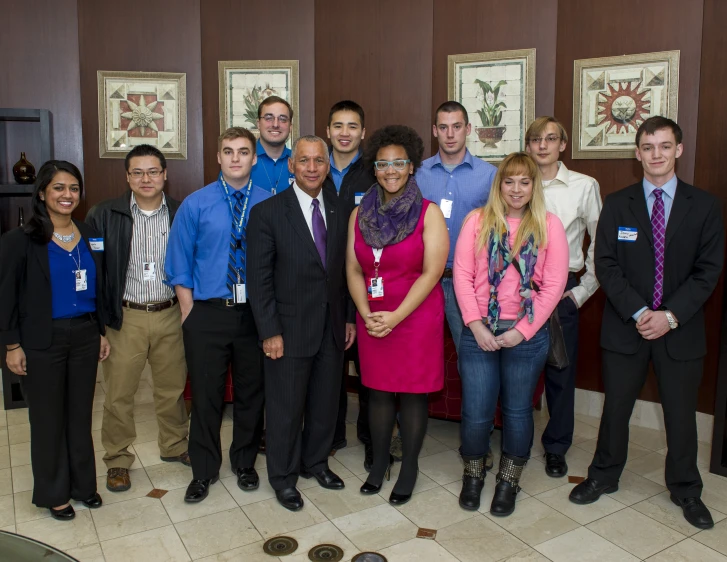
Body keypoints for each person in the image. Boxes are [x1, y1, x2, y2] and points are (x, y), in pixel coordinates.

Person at [569, 117, 724, 531]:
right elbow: (605, 263)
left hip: (681, 329)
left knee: (680, 415)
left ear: (679, 149)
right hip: (626, 327)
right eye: (648, 146)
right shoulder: (619, 203)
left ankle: (687, 489)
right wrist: (640, 313)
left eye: (664, 145)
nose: (656, 154)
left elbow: (708, 271)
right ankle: (603, 474)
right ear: (637, 153)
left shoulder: (705, 205)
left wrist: (668, 316)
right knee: (615, 409)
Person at [453, 152, 568, 515]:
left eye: (524, 181)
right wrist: (475, 324)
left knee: (518, 412)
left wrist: (522, 331)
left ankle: (509, 481)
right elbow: (462, 275)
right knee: (476, 412)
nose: (516, 189)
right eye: (509, 181)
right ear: (498, 185)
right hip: (479, 332)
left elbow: (552, 287)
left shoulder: (549, 226)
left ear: (534, 186)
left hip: (527, 336)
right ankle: (473, 475)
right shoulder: (477, 221)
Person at [247, 135, 356, 512]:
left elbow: (346, 271)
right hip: (287, 330)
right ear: (292, 165)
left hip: (331, 327)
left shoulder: (341, 209)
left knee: (326, 403)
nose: (312, 168)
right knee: (285, 408)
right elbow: (258, 280)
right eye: (304, 161)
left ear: (328, 165)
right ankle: (283, 477)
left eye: (319, 161)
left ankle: (316, 463)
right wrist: (269, 331)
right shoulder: (268, 212)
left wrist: (348, 319)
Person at [0, 161, 111, 520]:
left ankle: (83, 486)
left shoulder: (90, 231)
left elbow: (99, 284)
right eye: (59, 188)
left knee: (80, 416)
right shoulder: (20, 240)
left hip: (84, 334)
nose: (67, 195)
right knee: (48, 420)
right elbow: (6, 297)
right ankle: (54, 493)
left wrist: (101, 331)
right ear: (43, 193)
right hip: (40, 340)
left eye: (73, 188)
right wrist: (12, 345)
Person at [165, 127, 271, 503]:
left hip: (253, 316)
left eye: (244, 151)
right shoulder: (196, 203)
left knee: (250, 394)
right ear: (218, 157)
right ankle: (203, 470)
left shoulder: (269, 202)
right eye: (228, 151)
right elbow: (177, 261)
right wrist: (189, 311)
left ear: (254, 158)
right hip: (207, 313)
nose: (236, 158)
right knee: (206, 396)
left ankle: (244, 462)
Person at [347, 125, 449, 505]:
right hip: (372, 315)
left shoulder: (429, 213)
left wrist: (395, 316)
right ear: (374, 169)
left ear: (412, 167)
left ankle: (409, 468)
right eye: (383, 164)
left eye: (399, 163)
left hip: (415, 317)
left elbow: (432, 272)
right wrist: (365, 311)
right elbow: (354, 269)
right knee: (376, 392)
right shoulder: (359, 213)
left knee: (412, 395)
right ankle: (378, 465)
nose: (390, 170)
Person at [86, 144, 190, 493]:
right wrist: (98, 324)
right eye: (137, 172)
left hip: (169, 313)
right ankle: (116, 458)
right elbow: (94, 273)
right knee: (118, 393)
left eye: (153, 171)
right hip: (125, 316)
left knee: (172, 388)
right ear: (127, 177)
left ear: (165, 174)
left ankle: (174, 446)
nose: (146, 178)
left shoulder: (181, 212)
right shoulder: (103, 214)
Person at [416, 101, 497, 472]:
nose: (450, 133)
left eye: (457, 126)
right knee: (411, 354)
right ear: (434, 130)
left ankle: (476, 444)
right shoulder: (417, 173)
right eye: (443, 127)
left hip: (467, 285)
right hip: (421, 281)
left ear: (469, 129)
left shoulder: (490, 176)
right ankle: (405, 431)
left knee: (472, 365)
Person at [524, 117, 602, 477]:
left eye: (550, 139)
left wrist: (581, 292)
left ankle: (556, 447)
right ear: (528, 146)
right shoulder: (516, 183)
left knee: (560, 372)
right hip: (519, 288)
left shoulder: (584, 187)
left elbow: (600, 245)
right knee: (519, 370)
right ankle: (516, 442)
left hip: (564, 291)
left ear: (563, 144)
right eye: (536, 139)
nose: (542, 145)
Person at [322, 100, 376, 468]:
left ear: (362, 132)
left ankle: (373, 435)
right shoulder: (313, 168)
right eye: (338, 125)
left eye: (352, 126)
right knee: (331, 364)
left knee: (371, 364)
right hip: (323, 283)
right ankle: (332, 434)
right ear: (328, 131)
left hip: (367, 281)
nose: (344, 132)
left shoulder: (375, 173)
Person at [250, 95, 295, 194]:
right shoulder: (241, 161)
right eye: (268, 118)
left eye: (282, 119)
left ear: (290, 127)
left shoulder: (300, 162)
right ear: (258, 124)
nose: (275, 124)